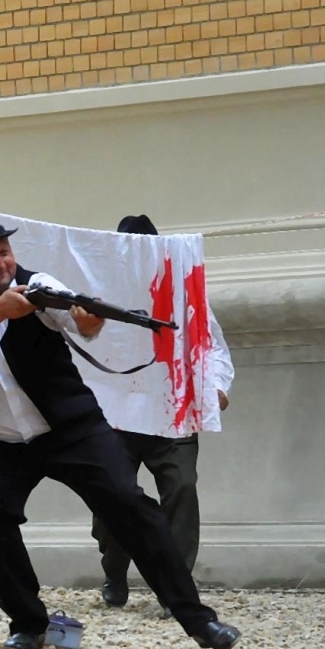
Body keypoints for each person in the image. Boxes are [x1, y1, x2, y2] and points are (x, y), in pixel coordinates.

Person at [0, 206, 240, 649]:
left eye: (5, 252)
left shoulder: (40, 284)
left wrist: (88, 321)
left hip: (70, 429)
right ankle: (28, 623)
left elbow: (78, 319)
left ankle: (200, 622)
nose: (2, 264)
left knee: (131, 505)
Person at [90, 214, 235, 608]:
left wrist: (217, 386)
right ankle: (114, 573)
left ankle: (175, 587)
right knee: (111, 497)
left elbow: (213, 346)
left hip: (171, 415)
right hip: (115, 418)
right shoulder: (98, 291)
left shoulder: (184, 291)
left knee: (182, 488)